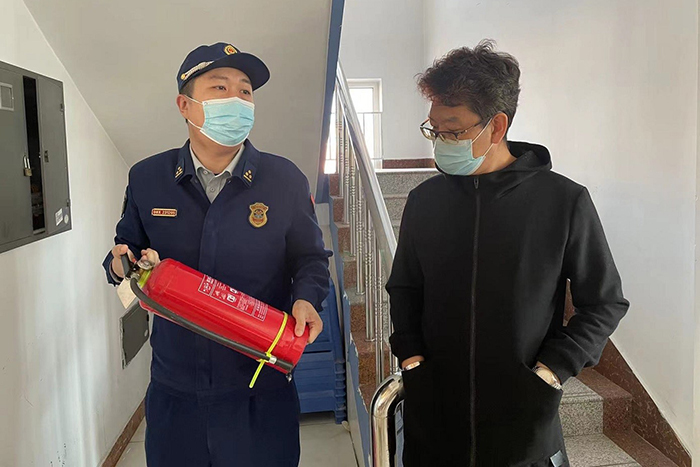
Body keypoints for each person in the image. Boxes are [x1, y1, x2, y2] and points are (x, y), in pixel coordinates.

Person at [386, 40, 629, 467]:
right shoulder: (425, 201)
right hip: (434, 423)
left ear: (496, 127)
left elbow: (604, 302)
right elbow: (405, 287)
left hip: (524, 428)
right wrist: (412, 357)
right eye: (433, 129)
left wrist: (551, 370)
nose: (440, 142)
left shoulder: (563, 201)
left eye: (453, 131)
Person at [101, 42, 332, 467]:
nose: (236, 100)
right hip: (175, 391)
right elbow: (124, 250)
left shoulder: (284, 179)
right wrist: (121, 263)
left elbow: (310, 258)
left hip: (259, 388)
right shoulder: (148, 177)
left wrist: (307, 298)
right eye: (220, 87)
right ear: (185, 105)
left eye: (245, 91)